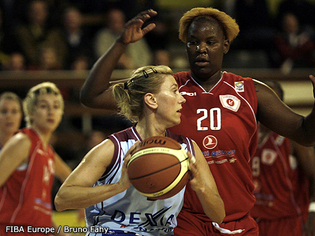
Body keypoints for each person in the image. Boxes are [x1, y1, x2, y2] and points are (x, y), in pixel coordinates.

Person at [79, 7, 315, 235]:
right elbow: (93, 95)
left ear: (225, 45)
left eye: (210, 42)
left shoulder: (250, 91)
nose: (201, 48)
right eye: (193, 42)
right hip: (182, 220)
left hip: (238, 219)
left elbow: (305, 133)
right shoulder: (166, 88)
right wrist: (121, 43)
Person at [54, 65, 225, 235]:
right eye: (174, 91)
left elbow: (218, 215)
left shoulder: (187, 149)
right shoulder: (115, 147)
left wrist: (201, 188)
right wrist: (118, 187)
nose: (182, 99)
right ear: (151, 100)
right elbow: (62, 200)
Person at [0, 82, 73, 236]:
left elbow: (41, 210)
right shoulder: (23, 142)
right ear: (31, 112)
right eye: (44, 106)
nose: (51, 112)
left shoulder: (47, 151)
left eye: (55, 107)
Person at [250, 80, 315, 236]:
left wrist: (313, 209)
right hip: (254, 219)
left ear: (281, 104)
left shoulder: (293, 137)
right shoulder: (248, 133)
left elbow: (314, 175)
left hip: (287, 220)